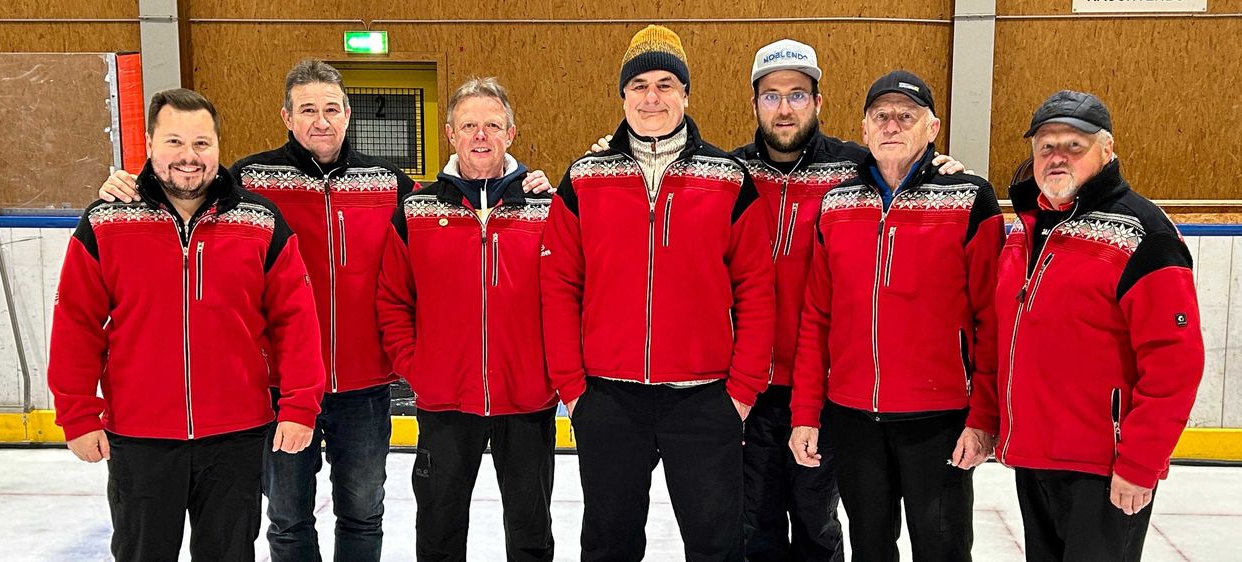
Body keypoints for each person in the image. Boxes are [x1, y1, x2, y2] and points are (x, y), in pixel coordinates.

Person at [97, 59, 552, 561]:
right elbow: (185, 181)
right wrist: (130, 186)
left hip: (363, 388)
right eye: (308, 109)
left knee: (363, 513)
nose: (321, 120)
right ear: (286, 117)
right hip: (285, 388)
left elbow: (462, 201)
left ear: (348, 114)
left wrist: (528, 183)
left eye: (331, 109)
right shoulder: (249, 180)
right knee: (289, 519)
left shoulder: (391, 185)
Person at [48, 88, 326, 561]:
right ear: (149, 144)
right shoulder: (107, 221)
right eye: (174, 142)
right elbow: (76, 322)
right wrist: (77, 413)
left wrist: (300, 405)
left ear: (218, 146)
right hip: (140, 436)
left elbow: (294, 317)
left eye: (201, 143)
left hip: (236, 435)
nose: (189, 157)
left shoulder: (260, 221)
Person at [541, 24, 775, 562]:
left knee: (716, 545)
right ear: (622, 96)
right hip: (608, 398)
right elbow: (558, 286)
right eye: (639, 85)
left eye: (665, 84)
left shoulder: (728, 178)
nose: (652, 97)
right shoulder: (585, 177)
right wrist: (572, 389)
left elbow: (757, 289)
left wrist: (741, 391)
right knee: (609, 544)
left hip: (705, 398)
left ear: (685, 94)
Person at [789, 70, 1003, 562]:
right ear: (864, 128)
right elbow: (817, 318)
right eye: (881, 115)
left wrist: (983, 417)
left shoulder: (970, 198)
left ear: (932, 128)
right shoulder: (836, 202)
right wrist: (805, 413)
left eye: (907, 116)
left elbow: (990, 320)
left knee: (942, 549)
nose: (892, 125)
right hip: (853, 417)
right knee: (869, 548)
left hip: (939, 418)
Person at [996, 90, 1204, 562]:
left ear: (1106, 151)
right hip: (1035, 456)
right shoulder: (1028, 227)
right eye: (1046, 146)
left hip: (1105, 466)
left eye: (1074, 145)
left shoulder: (1145, 233)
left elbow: (1175, 362)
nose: (1057, 156)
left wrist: (1140, 462)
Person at [377, 77, 557, 562]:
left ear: (511, 133)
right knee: (439, 530)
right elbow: (393, 300)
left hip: (527, 399)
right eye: (469, 125)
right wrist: (418, 368)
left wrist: (551, 372)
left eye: (493, 126)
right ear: (451, 134)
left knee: (531, 533)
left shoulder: (546, 207)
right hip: (445, 400)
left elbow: (568, 297)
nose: (481, 135)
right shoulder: (415, 212)